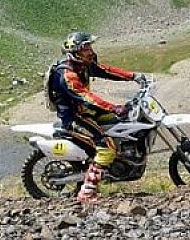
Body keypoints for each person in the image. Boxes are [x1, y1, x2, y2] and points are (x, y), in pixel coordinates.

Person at [47, 31, 146, 204]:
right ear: (76, 51)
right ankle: (87, 192)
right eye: (86, 48)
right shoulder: (67, 75)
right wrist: (114, 108)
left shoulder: (83, 64)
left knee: (123, 122)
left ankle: (118, 161)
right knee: (106, 146)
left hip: (86, 111)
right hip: (74, 118)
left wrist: (134, 76)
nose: (90, 51)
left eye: (90, 46)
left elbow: (105, 70)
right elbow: (87, 97)